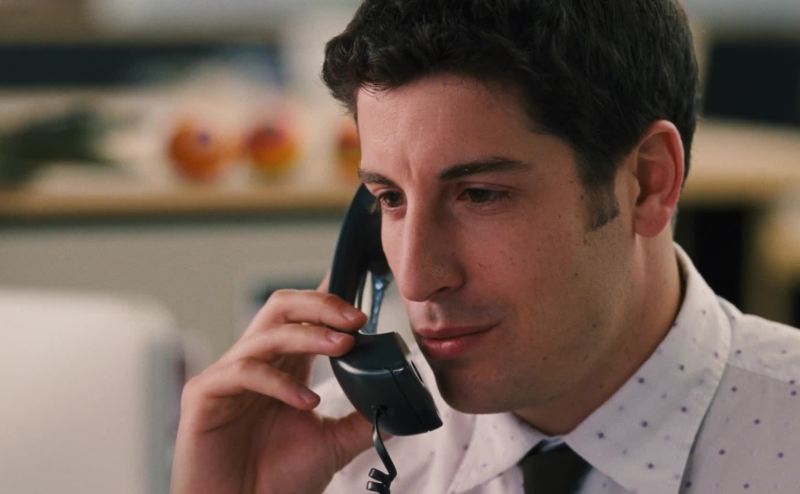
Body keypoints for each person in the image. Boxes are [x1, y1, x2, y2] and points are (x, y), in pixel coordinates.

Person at [170, 1, 800, 493]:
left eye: (479, 195)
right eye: (390, 198)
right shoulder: (330, 452)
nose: (415, 278)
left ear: (647, 182)